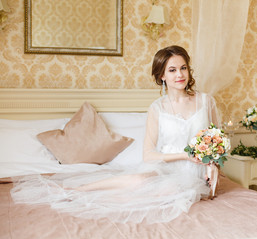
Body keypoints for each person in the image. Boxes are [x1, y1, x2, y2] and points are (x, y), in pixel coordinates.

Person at [10, 45, 220, 224]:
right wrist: (185, 155)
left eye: (183, 68)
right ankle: (77, 190)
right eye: (172, 70)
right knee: (139, 180)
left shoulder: (206, 101)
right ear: (161, 76)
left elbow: (218, 143)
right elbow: (148, 155)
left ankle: (83, 193)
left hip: (195, 174)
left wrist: (213, 165)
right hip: (167, 167)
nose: (180, 75)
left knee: (170, 191)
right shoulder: (157, 108)